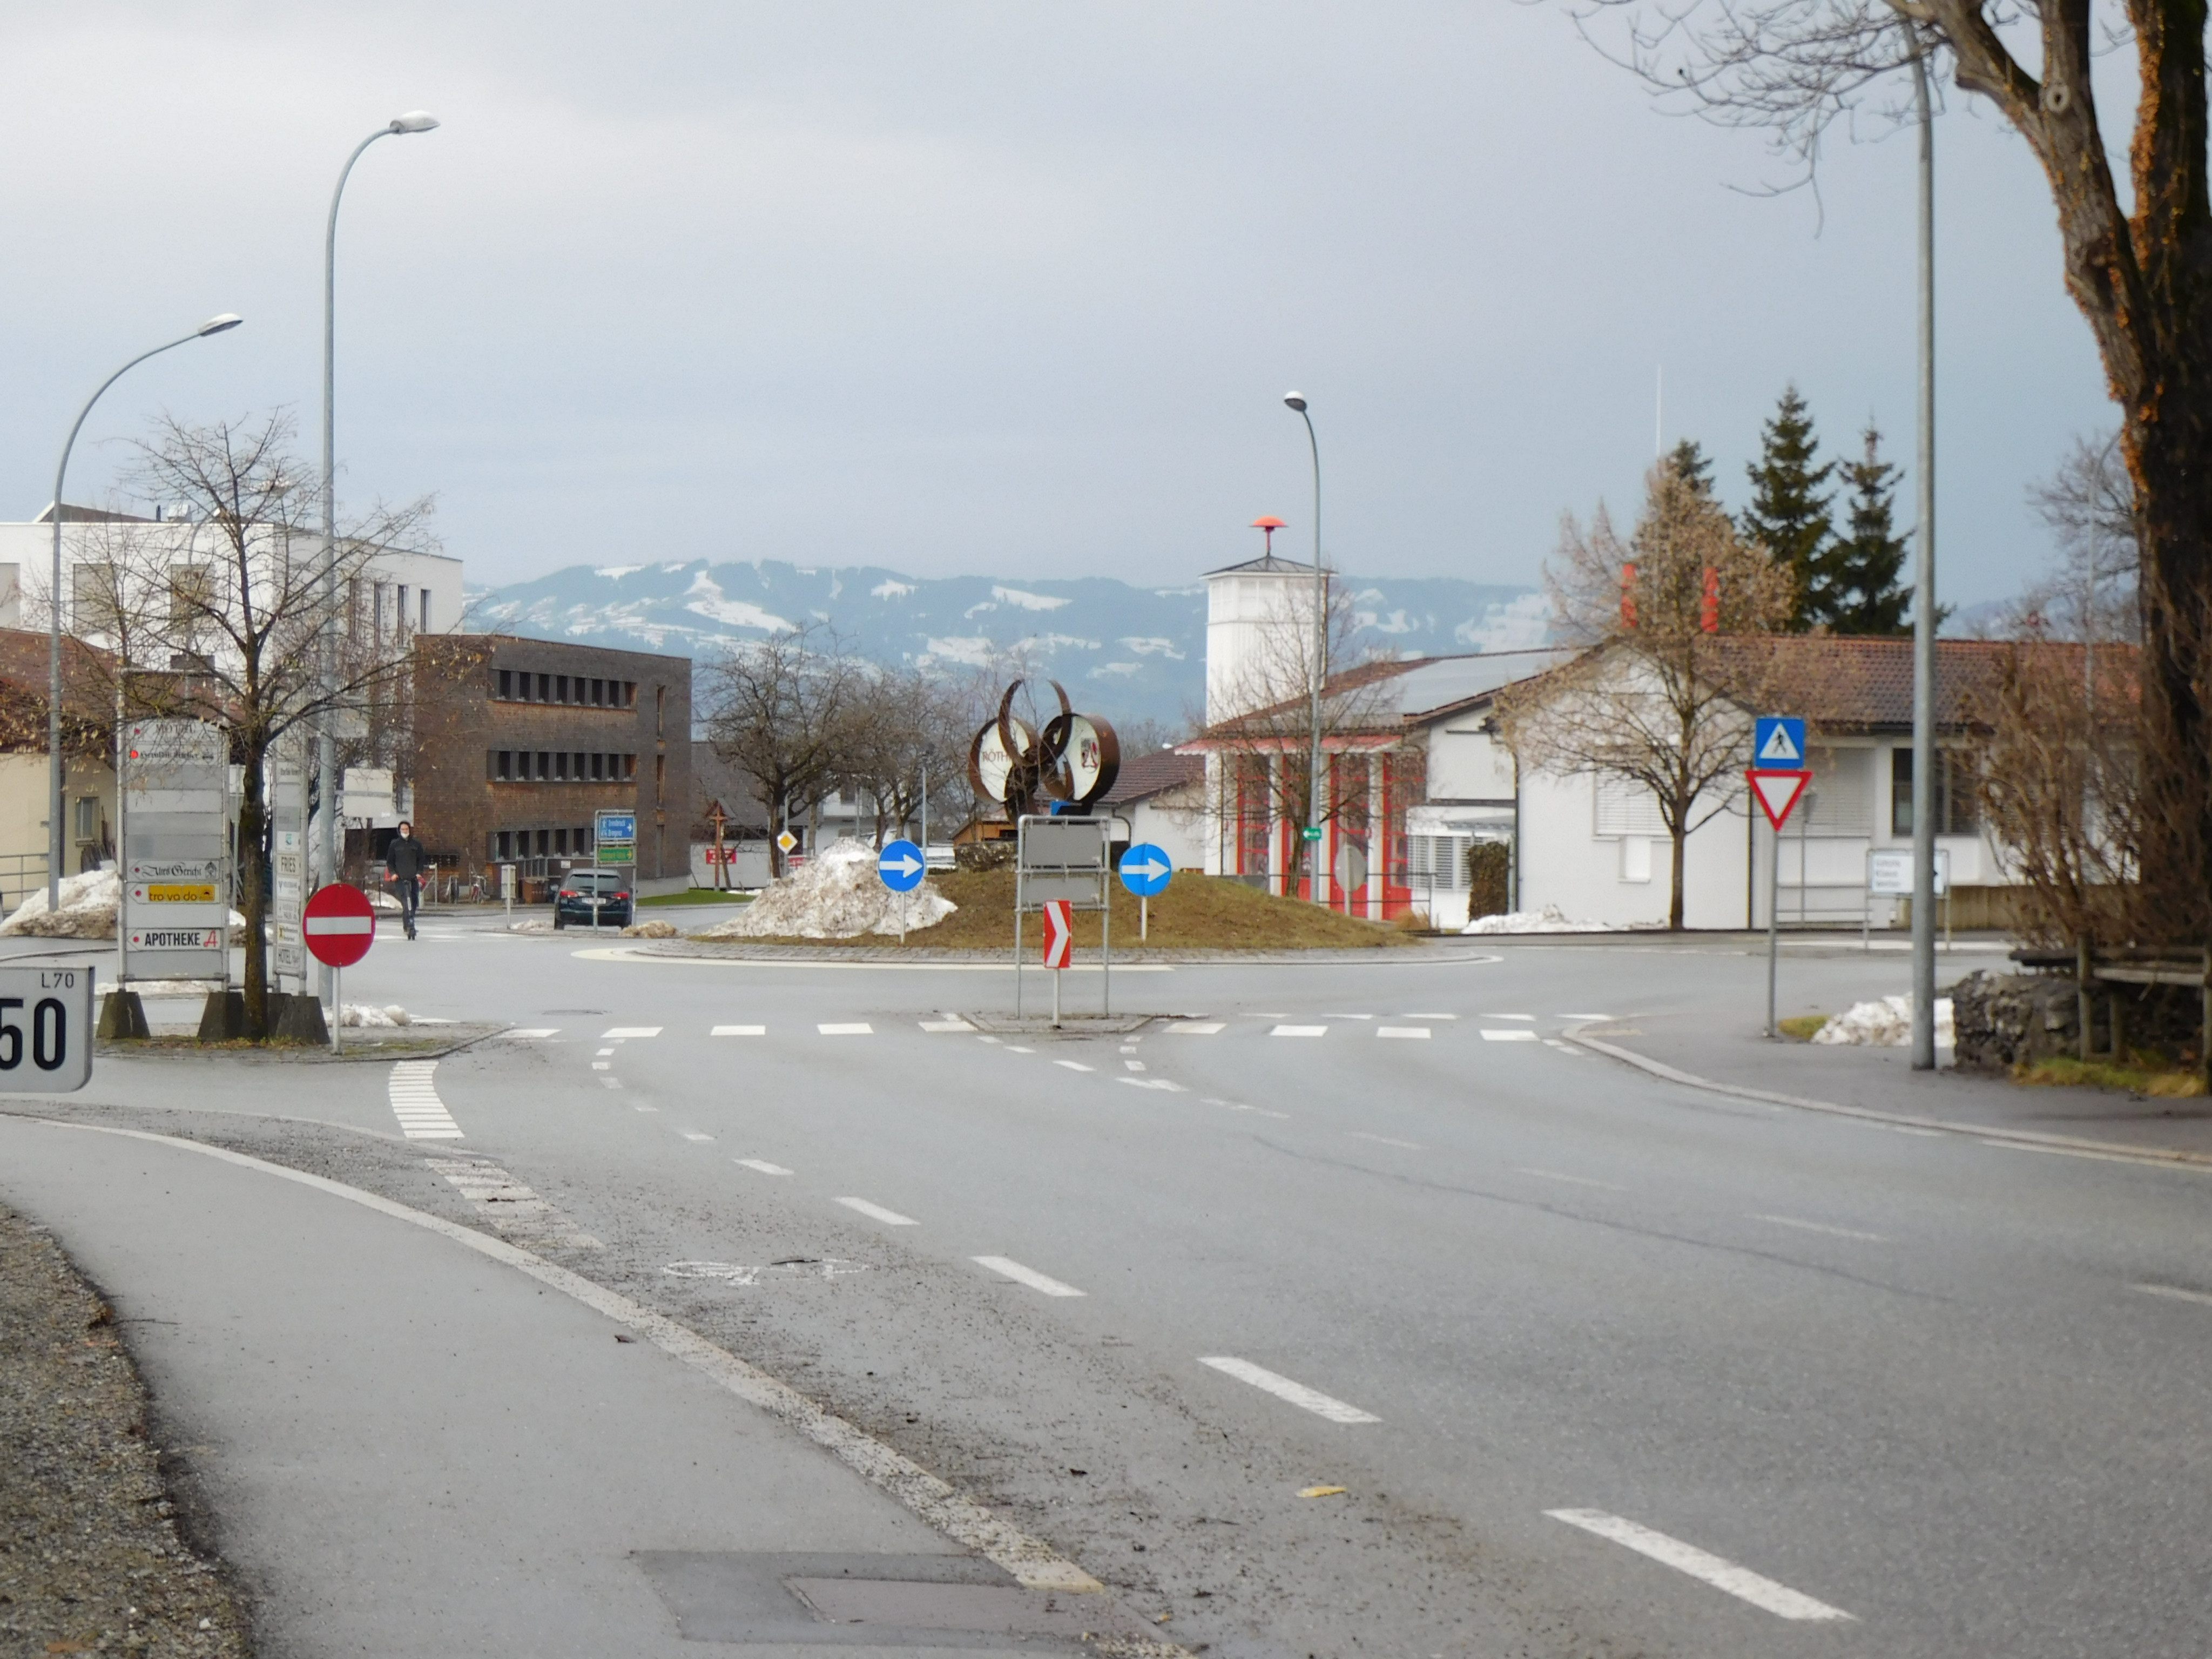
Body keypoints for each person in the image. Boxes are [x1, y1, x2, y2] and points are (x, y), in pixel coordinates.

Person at [386, 821, 429, 941]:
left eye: (407, 829)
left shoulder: (416, 844)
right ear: (399, 831)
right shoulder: (395, 845)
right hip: (400, 879)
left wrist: (419, 873)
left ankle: (411, 921)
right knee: (406, 902)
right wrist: (393, 874)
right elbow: (390, 862)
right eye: (403, 829)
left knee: (414, 901)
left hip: (413, 878)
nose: (405, 831)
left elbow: (421, 860)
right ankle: (408, 925)